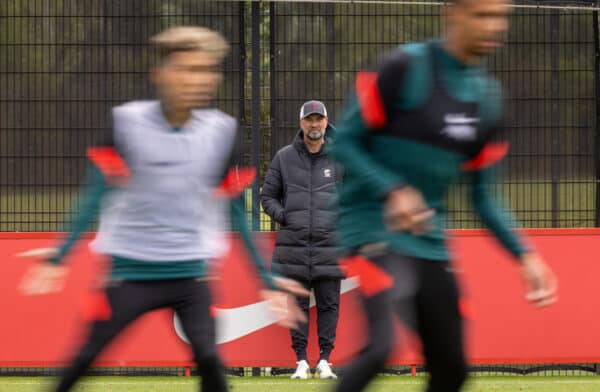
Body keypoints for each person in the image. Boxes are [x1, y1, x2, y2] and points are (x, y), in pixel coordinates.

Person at [17, 26, 308, 392]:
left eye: (207, 70)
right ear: (160, 75)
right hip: (129, 273)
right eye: (187, 69)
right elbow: (95, 193)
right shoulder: (126, 124)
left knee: (209, 360)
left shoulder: (223, 132)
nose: (199, 80)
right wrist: (61, 253)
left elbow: (235, 211)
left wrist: (265, 279)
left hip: (191, 276)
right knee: (83, 358)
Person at [328, 1, 558, 391]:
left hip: (429, 242)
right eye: (482, 15)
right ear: (452, 13)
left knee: (452, 368)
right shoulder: (402, 68)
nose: (495, 26)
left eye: (501, 16)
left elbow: (484, 196)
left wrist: (525, 255)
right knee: (381, 348)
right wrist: (393, 189)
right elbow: (345, 143)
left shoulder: (489, 100)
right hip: (369, 227)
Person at [261, 100, 343, 379]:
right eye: (309, 119)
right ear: (301, 123)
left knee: (329, 305)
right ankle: (300, 361)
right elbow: (267, 196)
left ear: (326, 121)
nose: (314, 124)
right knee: (296, 306)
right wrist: (284, 216)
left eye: (319, 119)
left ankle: (324, 360)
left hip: (329, 245)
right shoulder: (284, 157)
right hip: (293, 246)